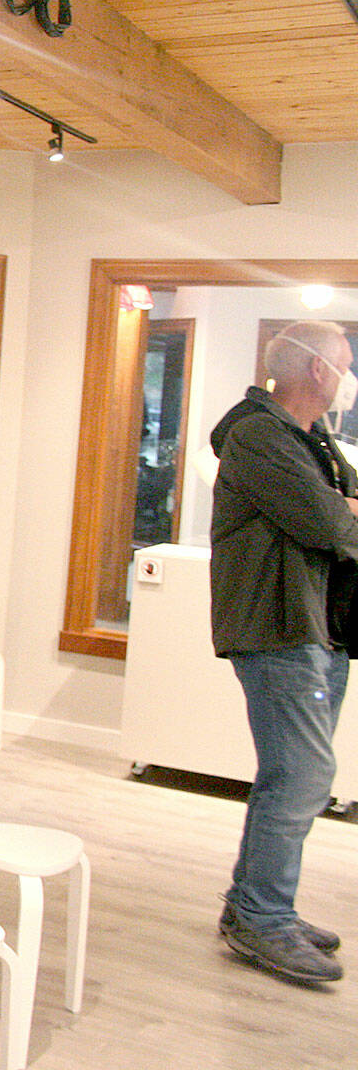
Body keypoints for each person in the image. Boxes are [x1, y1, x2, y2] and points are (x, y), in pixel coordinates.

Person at [209, 319, 358, 985]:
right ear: (319, 371)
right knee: (303, 778)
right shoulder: (259, 436)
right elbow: (330, 523)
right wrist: (342, 509)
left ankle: (256, 906)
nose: (350, 379)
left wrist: (344, 507)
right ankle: (262, 919)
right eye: (346, 365)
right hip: (279, 629)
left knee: (291, 777)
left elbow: (343, 511)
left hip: (318, 630)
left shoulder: (309, 439)